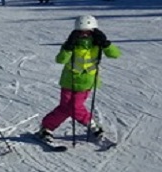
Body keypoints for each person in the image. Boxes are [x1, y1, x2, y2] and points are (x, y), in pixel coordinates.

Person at [37, 15, 121, 144]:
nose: (85, 35)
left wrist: (106, 43)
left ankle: (92, 126)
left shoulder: (97, 44)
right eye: (82, 32)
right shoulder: (71, 44)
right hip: (69, 81)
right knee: (65, 107)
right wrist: (68, 47)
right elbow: (60, 60)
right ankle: (47, 128)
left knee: (75, 107)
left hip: (86, 82)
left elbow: (115, 54)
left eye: (88, 32)